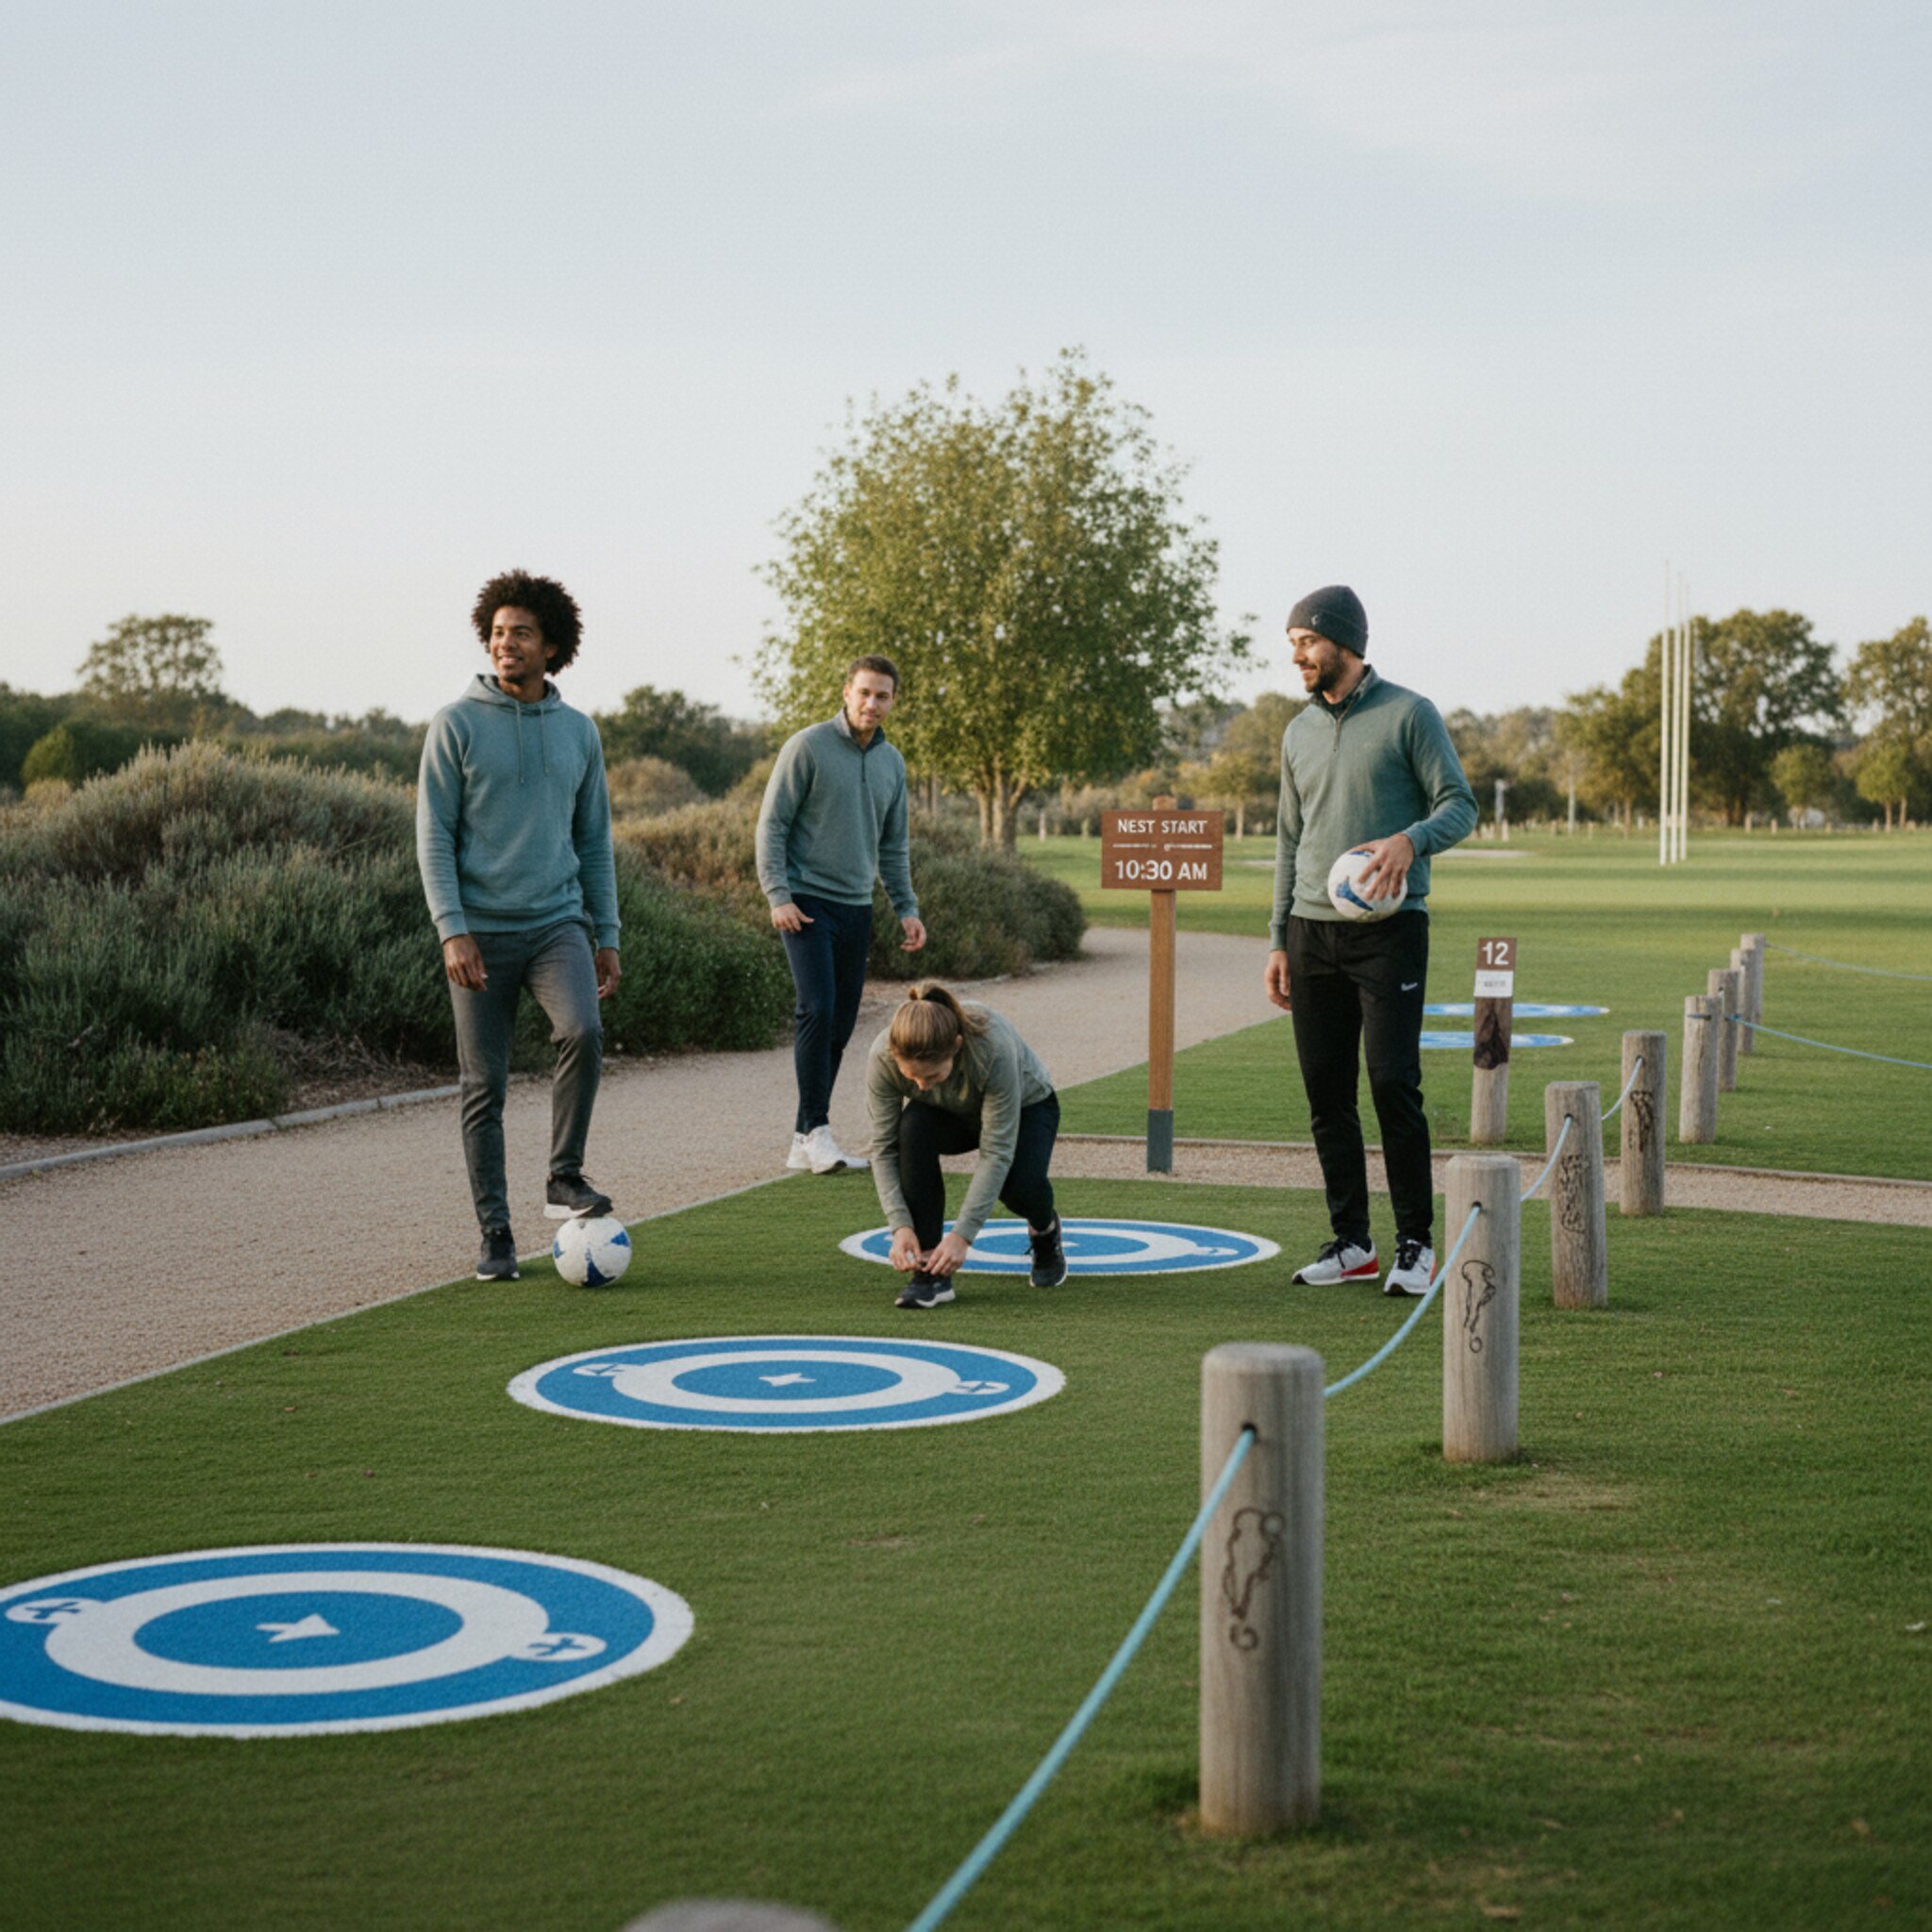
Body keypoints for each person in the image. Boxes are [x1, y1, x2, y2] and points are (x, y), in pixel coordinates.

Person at [1263, 584, 1476, 1297]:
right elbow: (1289, 841)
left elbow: (1460, 805)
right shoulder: (1296, 732)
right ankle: (1352, 1242)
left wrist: (1409, 843)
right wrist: (1276, 940)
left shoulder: (1409, 714)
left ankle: (1416, 1244)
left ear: (1344, 642)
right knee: (1327, 1093)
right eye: (1293, 642)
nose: (1296, 655)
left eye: (1306, 641)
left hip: (1390, 932)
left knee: (1392, 1082)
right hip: (1309, 932)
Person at [416, 569, 622, 1282]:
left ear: (551, 646)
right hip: (478, 933)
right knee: (485, 1085)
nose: (507, 644)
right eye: (499, 633)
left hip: (556, 924)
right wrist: (452, 928)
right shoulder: (456, 724)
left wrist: (608, 934)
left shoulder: (578, 733)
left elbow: (594, 840)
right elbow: (433, 838)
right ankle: (495, 1233)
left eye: (522, 633)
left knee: (584, 1030)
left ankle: (564, 1176)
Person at [756, 655, 926, 1175]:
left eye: (883, 696)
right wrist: (777, 895)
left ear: (893, 702)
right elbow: (772, 826)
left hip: (856, 905)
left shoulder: (891, 764)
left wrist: (906, 908)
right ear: (846, 692)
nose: (873, 704)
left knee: (843, 1022)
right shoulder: (807, 746)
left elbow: (893, 844)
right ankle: (816, 1131)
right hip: (805, 902)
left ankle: (803, 1137)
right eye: (865, 693)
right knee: (818, 1007)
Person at [864, 983, 1066, 1309]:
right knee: (913, 1125)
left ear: (956, 1047)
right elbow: (884, 1148)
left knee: (1021, 1186)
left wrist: (962, 1236)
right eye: (910, 1076)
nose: (920, 1085)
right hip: (948, 1113)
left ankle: (1044, 1231)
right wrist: (899, 1224)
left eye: (931, 1076)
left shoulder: (991, 1048)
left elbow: (997, 1152)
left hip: (1028, 1105)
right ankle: (930, 1271)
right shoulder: (882, 1057)